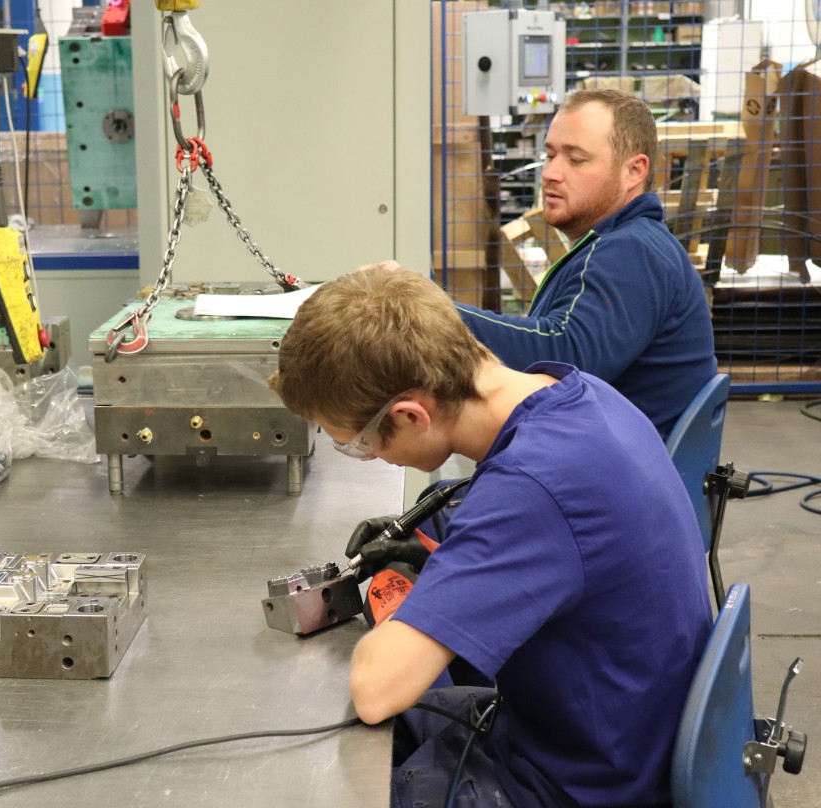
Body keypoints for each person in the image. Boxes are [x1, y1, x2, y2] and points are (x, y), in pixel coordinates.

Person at [268, 267, 713, 808]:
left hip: (576, 784)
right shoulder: (580, 393)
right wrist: (442, 556)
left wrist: (409, 600)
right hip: (609, 728)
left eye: (360, 444)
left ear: (410, 415)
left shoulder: (532, 487)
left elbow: (376, 690)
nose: (371, 456)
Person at [368, 88, 717, 440]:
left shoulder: (633, 251)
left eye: (575, 159)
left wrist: (426, 309)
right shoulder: (620, 244)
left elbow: (562, 357)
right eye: (550, 156)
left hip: (610, 470)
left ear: (634, 171)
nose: (550, 173)